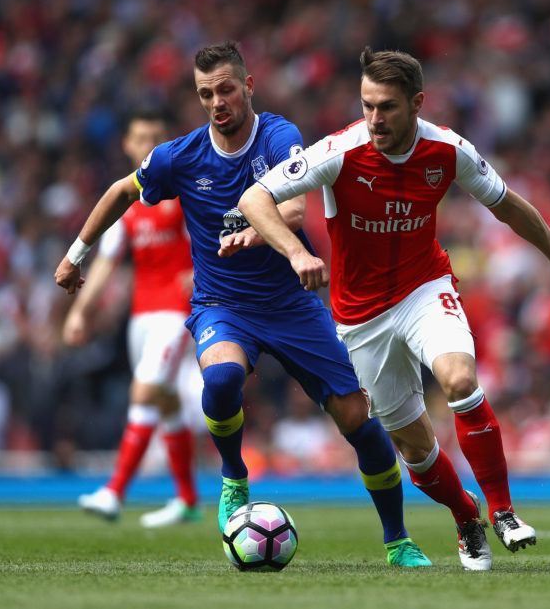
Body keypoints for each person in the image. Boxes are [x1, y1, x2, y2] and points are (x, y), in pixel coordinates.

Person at [54, 41, 430, 567]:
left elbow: (295, 209)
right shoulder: (179, 157)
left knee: (358, 421)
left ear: (248, 86)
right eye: (206, 92)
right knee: (222, 380)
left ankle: (398, 540)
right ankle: (233, 474)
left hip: (292, 305)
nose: (217, 101)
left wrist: (254, 234)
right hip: (222, 305)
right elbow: (121, 191)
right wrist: (77, 253)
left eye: (226, 88)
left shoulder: (279, 137)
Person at [236, 46, 550, 570]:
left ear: (417, 103)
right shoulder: (339, 152)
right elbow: (255, 198)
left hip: (423, 288)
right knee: (415, 449)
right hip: (360, 316)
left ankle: (502, 511)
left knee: (458, 380)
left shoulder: (448, 149)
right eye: (366, 105)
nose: (373, 118)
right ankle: (466, 517)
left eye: (386, 106)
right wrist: (296, 252)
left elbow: (507, 205)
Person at [62, 111, 202, 528]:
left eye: (156, 137)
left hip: (176, 314)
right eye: (140, 137)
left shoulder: (181, 193)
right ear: (127, 144)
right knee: (166, 400)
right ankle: (188, 500)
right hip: (140, 316)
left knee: (144, 392)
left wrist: (198, 271)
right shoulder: (126, 204)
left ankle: (114, 492)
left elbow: (213, 237)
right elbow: (106, 263)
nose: (148, 145)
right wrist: (79, 311)